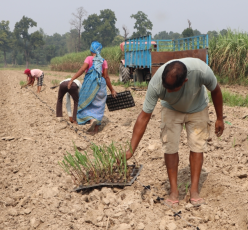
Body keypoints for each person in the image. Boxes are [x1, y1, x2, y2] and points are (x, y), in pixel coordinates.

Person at [125, 58, 224, 207]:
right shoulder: (156, 82)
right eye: (166, 87)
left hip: (197, 107)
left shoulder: (201, 71)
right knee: (170, 145)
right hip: (171, 109)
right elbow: (144, 117)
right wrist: (130, 150)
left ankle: (194, 190)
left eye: (172, 89)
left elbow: (216, 91)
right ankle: (173, 192)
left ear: (185, 81)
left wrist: (219, 118)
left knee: (197, 146)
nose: (168, 91)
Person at [67, 41, 117, 135]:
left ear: (91, 50)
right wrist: (112, 89)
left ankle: (91, 120)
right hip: (100, 85)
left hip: (89, 85)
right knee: (99, 106)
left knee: (84, 103)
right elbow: (106, 77)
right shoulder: (103, 61)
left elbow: (82, 70)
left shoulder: (89, 59)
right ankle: (95, 130)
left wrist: (72, 79)